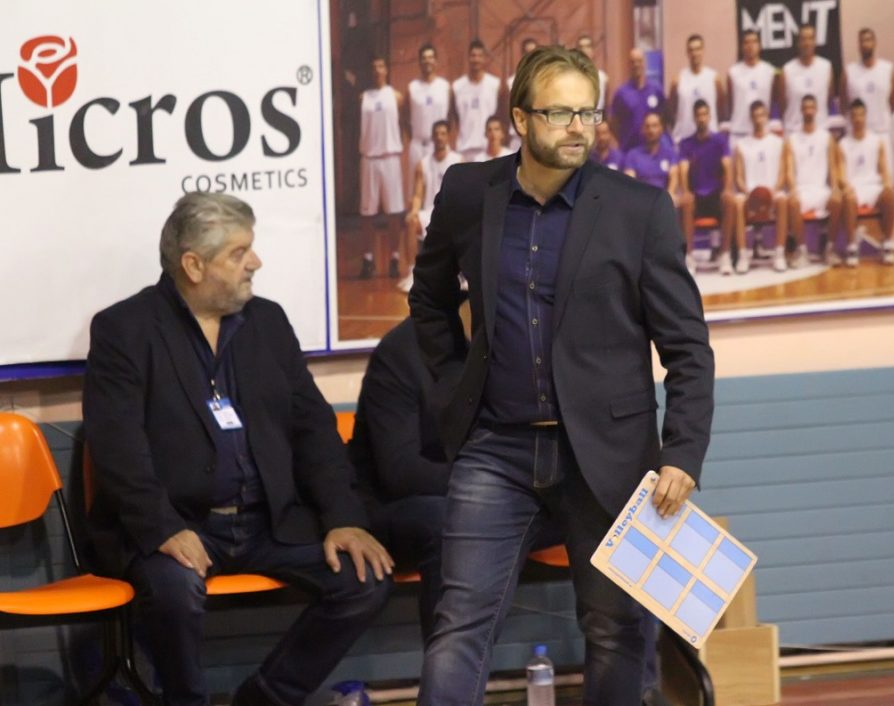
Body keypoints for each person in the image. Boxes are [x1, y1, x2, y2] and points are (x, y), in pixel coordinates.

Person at [409, 45, 715, 706]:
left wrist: (683, 453)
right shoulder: (468, 194)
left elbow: (688, 346)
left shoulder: (639, 210)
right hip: (495, 449)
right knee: (458, 628)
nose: (579, 127)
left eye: (588, 112)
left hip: (609, 455)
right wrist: (454, 386)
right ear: (521, 118)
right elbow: (429, 300)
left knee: (616, 629)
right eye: (559, 113)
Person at [83, 193, 394, 706]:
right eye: (238, 252)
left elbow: (314, 430)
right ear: (193, 265)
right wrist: (164, 528)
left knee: (365, 578)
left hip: (269, 523)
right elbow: (118, 448)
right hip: (179, 524)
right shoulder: (125, 330)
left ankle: (264, 699)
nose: (256, 262)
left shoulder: (267, 322)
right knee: (175, 591)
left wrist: (343, 518)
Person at [349, 317, 671, 705]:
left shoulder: (526, 338)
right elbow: (398, 469)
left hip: (518, 495)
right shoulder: (402, 351)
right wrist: (487, 482)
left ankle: (642, 690)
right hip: (410, 503)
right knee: (447, 523)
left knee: (621, 515)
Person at [677, 99, 739, 276]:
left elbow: (727, 165)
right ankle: (689, 257)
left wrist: (728, 189)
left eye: (705, 114)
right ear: (694, 118)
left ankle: (725, 255)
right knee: (686, 202)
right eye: (698, 115)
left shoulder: (720, 141)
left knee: (730, 200)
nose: (702, 118)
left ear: (710, 116)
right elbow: (683, 168)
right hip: (697, 196)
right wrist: (685, 191)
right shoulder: (686, 143)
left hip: (715, 195)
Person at [359, 55, 406, 279]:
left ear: (386, 69)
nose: (377, 70)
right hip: (369, 158)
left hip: (390, 158)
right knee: (367, 213)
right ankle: (368, 259)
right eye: (374, 67)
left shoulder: (396, 97)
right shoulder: (363, 97)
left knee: (394, 213)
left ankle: (394, 258)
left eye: (381, 66)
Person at [402, 120, 462, 291]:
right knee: (412, 222)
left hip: (451, 212)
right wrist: (414, 211)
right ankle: (413, 273)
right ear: (432, 138)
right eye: (436, 134)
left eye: (443, 133)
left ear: (448, 136)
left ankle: (460, 274)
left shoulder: (458, 160)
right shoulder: (423, 163)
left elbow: (463, 192)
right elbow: (417, 195)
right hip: (430, 212)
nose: (439, 137)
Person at [838, 98, 894, 266]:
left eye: (861, 115)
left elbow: (884, 170)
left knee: (890, 193)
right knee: (848, 197)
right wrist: (846, 187)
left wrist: (888, 184)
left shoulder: (876, 141)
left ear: (865, 117)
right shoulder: (843, 144)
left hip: (873, 187)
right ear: (850, 118)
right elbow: (841, 174)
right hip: (854, 188)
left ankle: (887, 242)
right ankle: (852, 246)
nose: (858, 119)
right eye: (854, 115)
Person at [785, 94, 843, 268]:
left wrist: (835, 187)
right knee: (792, 202)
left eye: (811, 107)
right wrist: (793, 189)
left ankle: (829, 249)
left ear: (816, 110)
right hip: (802, 190)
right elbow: (789, 169)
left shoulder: (826, 137)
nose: (809, 111)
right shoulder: (792, 139)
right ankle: (802, 251)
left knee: (837, 199)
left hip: (821, 190)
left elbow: (833, 167)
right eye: (805, 108)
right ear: (801, 110)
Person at [733, 100, 788, 273]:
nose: (758, 119)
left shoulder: (778, 142)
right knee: (738, 203)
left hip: (772, 192)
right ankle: (743, 255)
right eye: (755, 116)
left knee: (783, 200)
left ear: (767, 117)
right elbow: (739, 177)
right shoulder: (741, 145)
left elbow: (782, 174)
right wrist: (749, 194)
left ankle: (779, 254)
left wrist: (773, 191)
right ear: (751, 118)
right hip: (749, 194)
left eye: (761, 115)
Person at [841, 28, 894, 172]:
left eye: (868, 40)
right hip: (856, 135)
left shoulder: (887, 69)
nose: (865, 44)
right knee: (857, 179)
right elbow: (843, 103)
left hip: (881, 132)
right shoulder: (849, 72)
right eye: (861, 41)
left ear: (874, 43)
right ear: (858, 45)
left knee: (885, 179)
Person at [406, 44, 451, 199]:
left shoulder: (445, 87)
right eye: (424, 58)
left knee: (442, 189)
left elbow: (451, 116)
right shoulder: (412, 88)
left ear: (436, 61)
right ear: (419, 61)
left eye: (431, 57)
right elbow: (404, 117)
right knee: (416, 192)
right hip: (418, 144)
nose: (427, 61)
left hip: (440, 145)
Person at [777, 23, 834, 135]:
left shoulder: (826, 67)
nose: (807, 43)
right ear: (798, 43)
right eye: (803, 39)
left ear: (815, 42)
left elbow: (829, 100)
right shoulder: (787, 70)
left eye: (810, 39)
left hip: (820, 131)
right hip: (794, 132)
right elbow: (782, 105)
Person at [452, 39, 503, 162]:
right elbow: (454, 118)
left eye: (480, 56)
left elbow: (501, 117)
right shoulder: (457, 86)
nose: (476, 59)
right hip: (464, 148)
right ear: (468, 58)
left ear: (484, 58)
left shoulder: (494, 84)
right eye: (473, 56)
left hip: (487, 147)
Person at [669, 34, 725, 143]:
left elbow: (721, 109)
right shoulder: (678, 80)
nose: (695, 53)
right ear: (687, 53)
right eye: (691, 50)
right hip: (684, 138)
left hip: (709, 140)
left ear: (703, 51)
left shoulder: (714, 78)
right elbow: (671, 110)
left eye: (698, 49)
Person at [611, 48, 667, 152]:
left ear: (645, 63)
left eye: (639, 61)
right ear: (628, 65)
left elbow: (665, 117)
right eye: (633, 62)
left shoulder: (656, 89)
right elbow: (613, 122)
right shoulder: (621, 93)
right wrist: (623, 138)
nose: (636, 64)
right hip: (629, 150)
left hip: (653, 151)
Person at [726, 30, 776, 143]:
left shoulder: (769, 71)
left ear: (759, 45)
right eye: (746, 42)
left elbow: (774, 100)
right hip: (739, 132)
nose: (750, 46)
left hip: (763, 133)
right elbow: (729, 104)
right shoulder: (733, 72)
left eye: (754, 42)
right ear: (742, 47)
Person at [623, 112, 680, 196]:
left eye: (655, 126)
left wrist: (668, 197)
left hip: (663, 198)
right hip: (642, 197)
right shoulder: (633, 155)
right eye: (647, 126)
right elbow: (630, 182)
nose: (651, 130)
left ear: (661, 129)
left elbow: (674, 178)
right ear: (642, 130)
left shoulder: (670, 153)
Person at [507, 38, 540, 150]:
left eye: (533, 53)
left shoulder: (545, 81)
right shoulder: (511, 82)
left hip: (538, 135)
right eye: (527, 53)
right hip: (517, 138)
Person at [577, 33, 610, 110]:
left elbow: (607, 106)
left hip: (596, 116)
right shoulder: (570, 78)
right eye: (581, 47)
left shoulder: (602, 78)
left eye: (588, 46)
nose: (584, 50)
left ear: (593, 51)